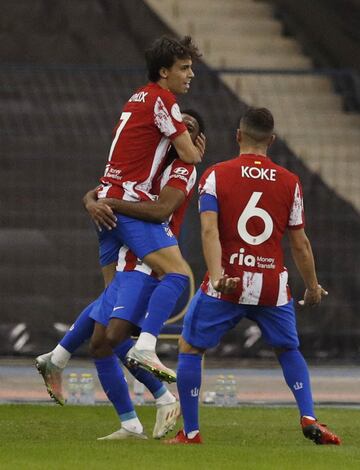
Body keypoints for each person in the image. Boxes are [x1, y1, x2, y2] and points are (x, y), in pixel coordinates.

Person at [165, 107, 341, 446]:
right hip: (271, 285)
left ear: (238, 135)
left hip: (228, 281)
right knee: (288, 349)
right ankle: (308, 415)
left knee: (190, 347)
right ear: (272, 141)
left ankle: (191, 433)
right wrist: (313, 286)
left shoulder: (216, 175)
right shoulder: (290, 182)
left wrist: (217, 275)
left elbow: (208, 230)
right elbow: (300, 243)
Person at [35, 111, 204, 440]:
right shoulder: (148, 157)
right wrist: (92, 202)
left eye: (190, 128)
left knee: (110, 338)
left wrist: (109, 202)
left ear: (195, 141)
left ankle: (160, 393)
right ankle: (132, 419)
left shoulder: (184, 167)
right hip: (123, 247)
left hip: (148, 257)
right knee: (101, 342)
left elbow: (160, 210)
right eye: (180, 123)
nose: (180, 129)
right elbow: (100, 191)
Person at [94, 35, 205, 383]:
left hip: (109, 197)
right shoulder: (163, 100)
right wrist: (196, 149)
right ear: (163, 71)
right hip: (126, 203)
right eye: (184, 68)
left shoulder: (135, 99)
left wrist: (96, 199)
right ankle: (146, 344)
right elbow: (189, 155)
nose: (190, 75)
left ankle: (59, 355)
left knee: (107, 318)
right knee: (179, 274)